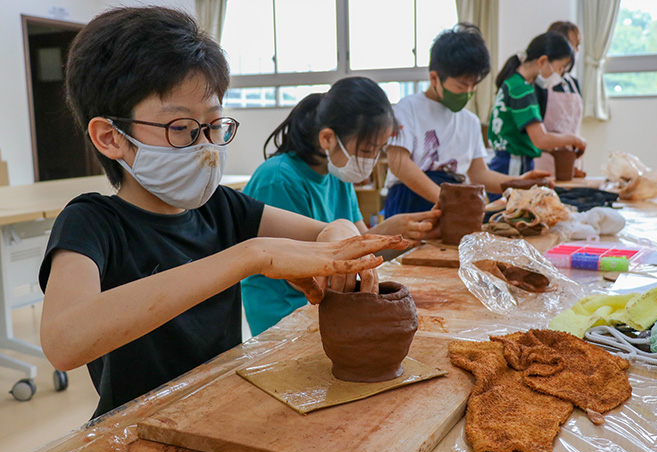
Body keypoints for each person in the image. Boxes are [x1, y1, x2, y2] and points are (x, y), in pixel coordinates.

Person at [38, 6, 406, 419]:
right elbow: (63, 341)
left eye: (214, 125)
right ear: (111, 138)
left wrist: (338, 239)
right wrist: (249, 256)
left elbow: (332, 230)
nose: (206, 147)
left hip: (221, 409)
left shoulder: (221, 208)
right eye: (181, 128)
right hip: (137, 429)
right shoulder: (92, 222)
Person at [242, 76, 440, 336]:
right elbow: (303, 274)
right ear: (327, 139)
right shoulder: (278, 179)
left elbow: (355, 248)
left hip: (327, 300)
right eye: (367, 150)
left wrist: (394, 235)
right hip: (286, 311)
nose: (372, 160)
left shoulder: (337, 174)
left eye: (379, 150)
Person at [383, 23, 552, 217]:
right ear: (434, 78)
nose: (469, 92)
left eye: (474, 85)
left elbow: (480, 174)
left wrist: (519, 182)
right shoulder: (407, 109)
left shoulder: (469, 121)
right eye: (462, 85)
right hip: (409, 202)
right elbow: (398, 163)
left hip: (451, 202)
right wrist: (443, 199)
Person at [487, 31, 587, 181]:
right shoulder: (522, 89)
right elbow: (541, 140)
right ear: (543, 61)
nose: (559, 75)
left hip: (505, 161)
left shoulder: (513, 82)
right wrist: (573, 139)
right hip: (513, 165)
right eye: (560, 68)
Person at [534, 22, 586, 177]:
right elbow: (535, 136)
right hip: (543, 164)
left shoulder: (573, 83)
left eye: (578, 46)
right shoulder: (540, 84)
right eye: (571, 44)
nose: (575, 51)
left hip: (571, 164)